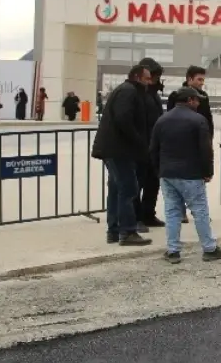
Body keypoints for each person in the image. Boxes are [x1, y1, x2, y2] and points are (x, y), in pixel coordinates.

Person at [151, 87, 221, 264]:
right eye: (197, 100)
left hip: (167, 174)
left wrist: (159, 171)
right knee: (200, 211)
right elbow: (205, 150)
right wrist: (207, 172)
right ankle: (209, 249)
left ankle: (173, 251)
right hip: (190, 174)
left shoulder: (162, 120)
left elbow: (153, 149)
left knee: (172, 212)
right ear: (190, 100)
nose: (199, 103)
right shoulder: (198, 120)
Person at [91, 64, 153, 247]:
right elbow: (123, 119)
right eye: (147, 78)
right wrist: (139, 140)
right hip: (119, 150)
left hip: (114, 149)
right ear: (137, 77)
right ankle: (127, 231)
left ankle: (114, 230)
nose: (149, 82)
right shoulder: (129, 92)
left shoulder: (126, 90)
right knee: (128, 189)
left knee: (117, 190)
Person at [167, 65, 214, 225]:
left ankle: (200, 212)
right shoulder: (176, 96)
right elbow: (170, 118)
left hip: (199, 141)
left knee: (200, 178)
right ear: (189, 79)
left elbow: (208, 119)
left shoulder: (204, 97)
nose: (202, 83)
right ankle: (181, 212)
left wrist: (209, 139)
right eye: (199, 79)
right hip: (180, 143)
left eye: (203, 79)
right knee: (180, 178)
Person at [134, 58, 167, 229]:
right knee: (137, 182)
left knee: (152, 182)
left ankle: (148, 213)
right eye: (153, 76)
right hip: (141, 145)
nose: (155, 80)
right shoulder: (138, 93)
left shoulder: (153, 93)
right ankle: (136, 217)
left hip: (154, 145)